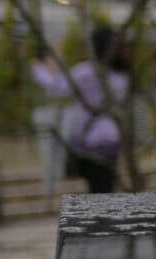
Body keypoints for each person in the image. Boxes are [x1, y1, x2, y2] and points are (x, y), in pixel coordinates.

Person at [31, 25, 128, 194]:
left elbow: (58, 88)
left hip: (91, 141)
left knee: (98, 192)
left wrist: (39, 69)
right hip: (113, 139)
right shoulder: (122, 76)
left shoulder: (86, 73)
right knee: (105, 188)